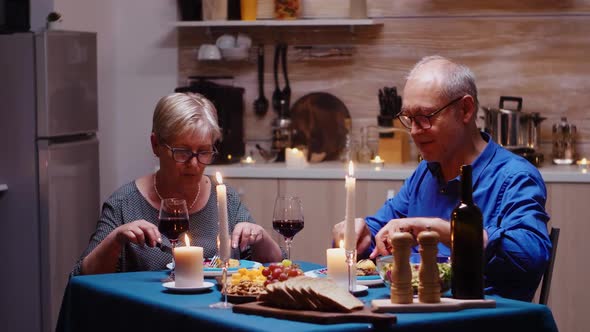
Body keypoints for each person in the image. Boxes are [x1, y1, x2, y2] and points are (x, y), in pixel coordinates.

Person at [333, 55, 552, 301]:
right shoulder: (426, 171)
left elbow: (530, 257)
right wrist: (362, 232)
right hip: (417, 315)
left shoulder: (514, 176)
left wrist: (441, 230)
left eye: (426, 117)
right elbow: (384, 228)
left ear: (465, 110)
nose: (415, 132)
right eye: (409, 119)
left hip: (485, 318)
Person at [73, 92, 282, 276]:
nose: (193, 164)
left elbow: (274, 264)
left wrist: (261, 236)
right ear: (156, 145)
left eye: (203, 152)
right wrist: (115, 240)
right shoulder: (124, 204)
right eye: (181, 152)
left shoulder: (225, 199)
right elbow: (84, 274)